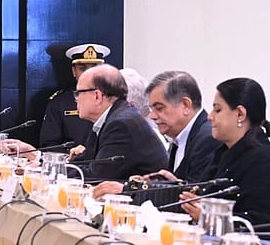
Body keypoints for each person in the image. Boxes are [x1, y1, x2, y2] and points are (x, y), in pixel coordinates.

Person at [5, 64, 167, 182]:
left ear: (97, 96)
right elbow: (83, 162)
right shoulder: (108, 119)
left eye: (79, 93)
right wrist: (39, 159)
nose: (75, 99)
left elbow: (95, 175)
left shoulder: (121, 124)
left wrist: (43, 169)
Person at [178, 77, 270, 227]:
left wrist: (209, 219)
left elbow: (262, 224)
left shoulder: (264, 161)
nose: (210, 117)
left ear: (240, 114)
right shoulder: (223, 152)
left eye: (218, 109)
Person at [91, 70, 219, 199]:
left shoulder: (207, 139)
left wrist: (130, 190)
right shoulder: (180, 138)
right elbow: (175, 185)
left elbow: (191, 199)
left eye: (159, 108)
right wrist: (146, 184)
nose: (152, 116)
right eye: (151, 109)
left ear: (185, 105)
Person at [38, 44, 108, 150]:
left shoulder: (113, 99)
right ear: (74, 71)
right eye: (82, 68)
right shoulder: (60, 102)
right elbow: (49, 145)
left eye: (94, 68)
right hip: (71, 163)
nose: (89, 74)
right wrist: (71, 156)